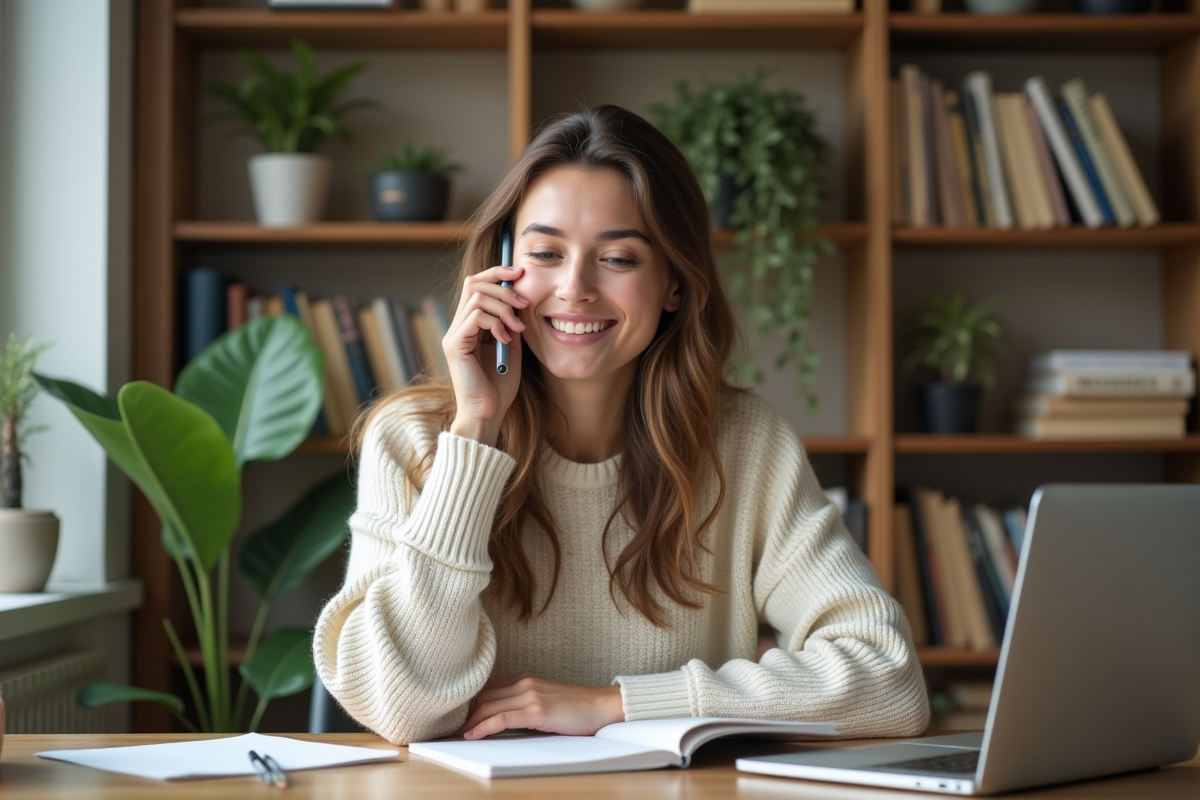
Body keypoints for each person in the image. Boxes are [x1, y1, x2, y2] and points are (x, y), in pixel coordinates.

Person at [313, 104, 930, 746]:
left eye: (619, 259)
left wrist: (617, 705)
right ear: (499, 268)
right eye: (545, 252)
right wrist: (475, 433)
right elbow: (402, 707)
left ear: (673, 284)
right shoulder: (413, 438)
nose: (574, 288)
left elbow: (889, 684)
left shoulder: (746, 443)